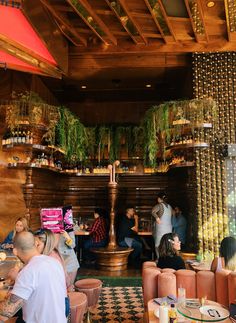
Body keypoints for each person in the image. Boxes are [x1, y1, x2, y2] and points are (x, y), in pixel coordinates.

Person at [0, 231, 67, 323]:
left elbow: (4, 314)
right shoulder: (54, 262)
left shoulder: (28, 271)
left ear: (15, 251)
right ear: (36, 243)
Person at [152, 192, 172, 258]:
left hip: (161, 228)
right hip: (169, 228)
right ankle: (166, 258)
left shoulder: (159, 205)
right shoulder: (170, 206)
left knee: (158, 244)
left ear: (159, 198)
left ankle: (159, 259)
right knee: (167, 244)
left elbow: (153, 211)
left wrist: (157, 218)